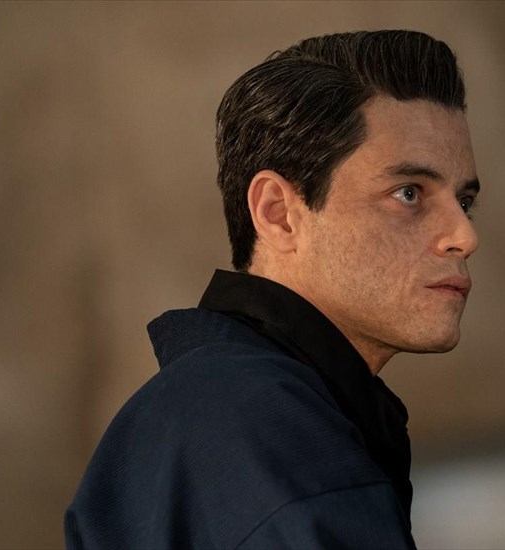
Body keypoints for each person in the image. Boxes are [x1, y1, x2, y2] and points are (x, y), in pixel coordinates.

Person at [65, 30, 479, 549]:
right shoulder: (263, 429)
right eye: (409, 193)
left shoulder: (223, 407)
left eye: (465, 202)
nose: (465, 236)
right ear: (279, 213)